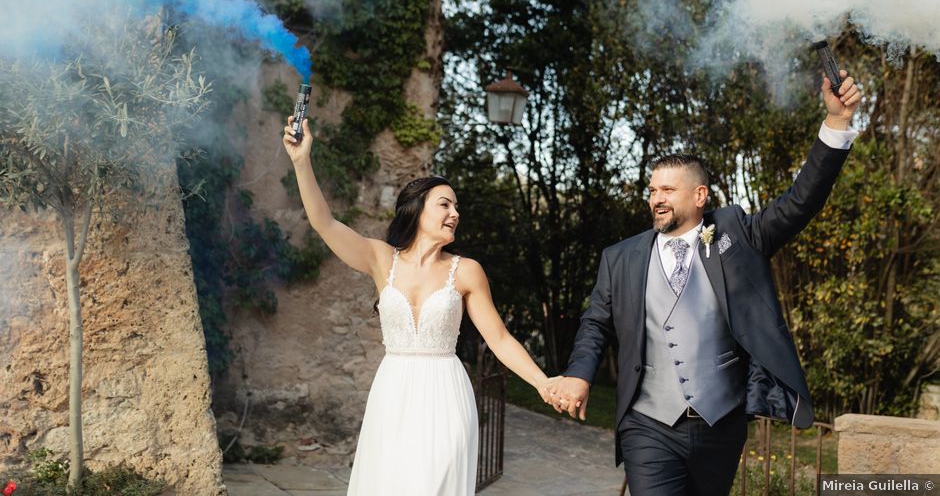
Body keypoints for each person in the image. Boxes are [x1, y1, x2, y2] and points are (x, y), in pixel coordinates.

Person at [547, 70, 862, 495]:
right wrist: (580, 373)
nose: (657, 198)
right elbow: (595, 324)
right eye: (653, 189)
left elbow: (799, 202)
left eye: (669, 190)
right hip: (647, 424)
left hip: (720, 425)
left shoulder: (738, 234)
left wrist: (837, 123)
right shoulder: (619, 257)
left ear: (699, 196)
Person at [282, 117, 555, 496]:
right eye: (444, 204)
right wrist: (301, 160)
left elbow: (500, 338)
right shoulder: (380, 259)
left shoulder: (466, 271)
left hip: (445, 395)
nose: (455, 213)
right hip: (392, 392)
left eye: (457, 206)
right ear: (416, 209)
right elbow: (324, 223)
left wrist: (542, 382)